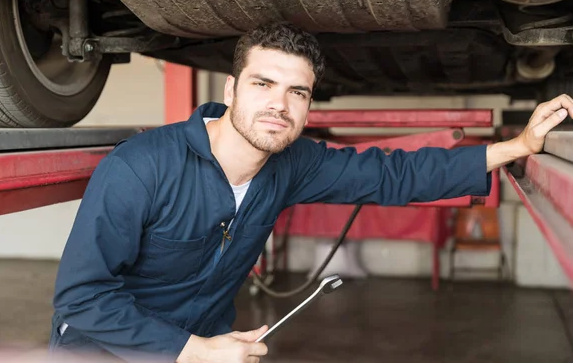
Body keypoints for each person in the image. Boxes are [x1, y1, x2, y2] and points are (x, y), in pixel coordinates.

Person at [48, 21, 573, 363]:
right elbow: (81, 299)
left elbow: (392, 176)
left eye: (296, 92)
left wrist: (513, 147)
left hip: (209, 347)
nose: (279, 104)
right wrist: (190, 350)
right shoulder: (141, 168)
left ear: (307, 106)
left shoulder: (291, 163)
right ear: (230, 91)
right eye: (262, 84)